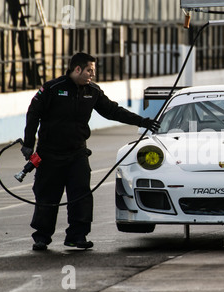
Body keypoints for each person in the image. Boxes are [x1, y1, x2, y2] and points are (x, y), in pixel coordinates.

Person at [22, 53, 160, 251]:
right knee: (47, 196)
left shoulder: (92, 91)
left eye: (93, 71)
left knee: (81, 195)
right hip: (50, 154)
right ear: (77, 69)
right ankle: (42, 237)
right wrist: (28, 143)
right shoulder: (52, 88)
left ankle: (77, 236)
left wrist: (143, 121)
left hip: (77, 153)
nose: (92, 75)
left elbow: (113, 111)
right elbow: (33, 113)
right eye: (89, 70)